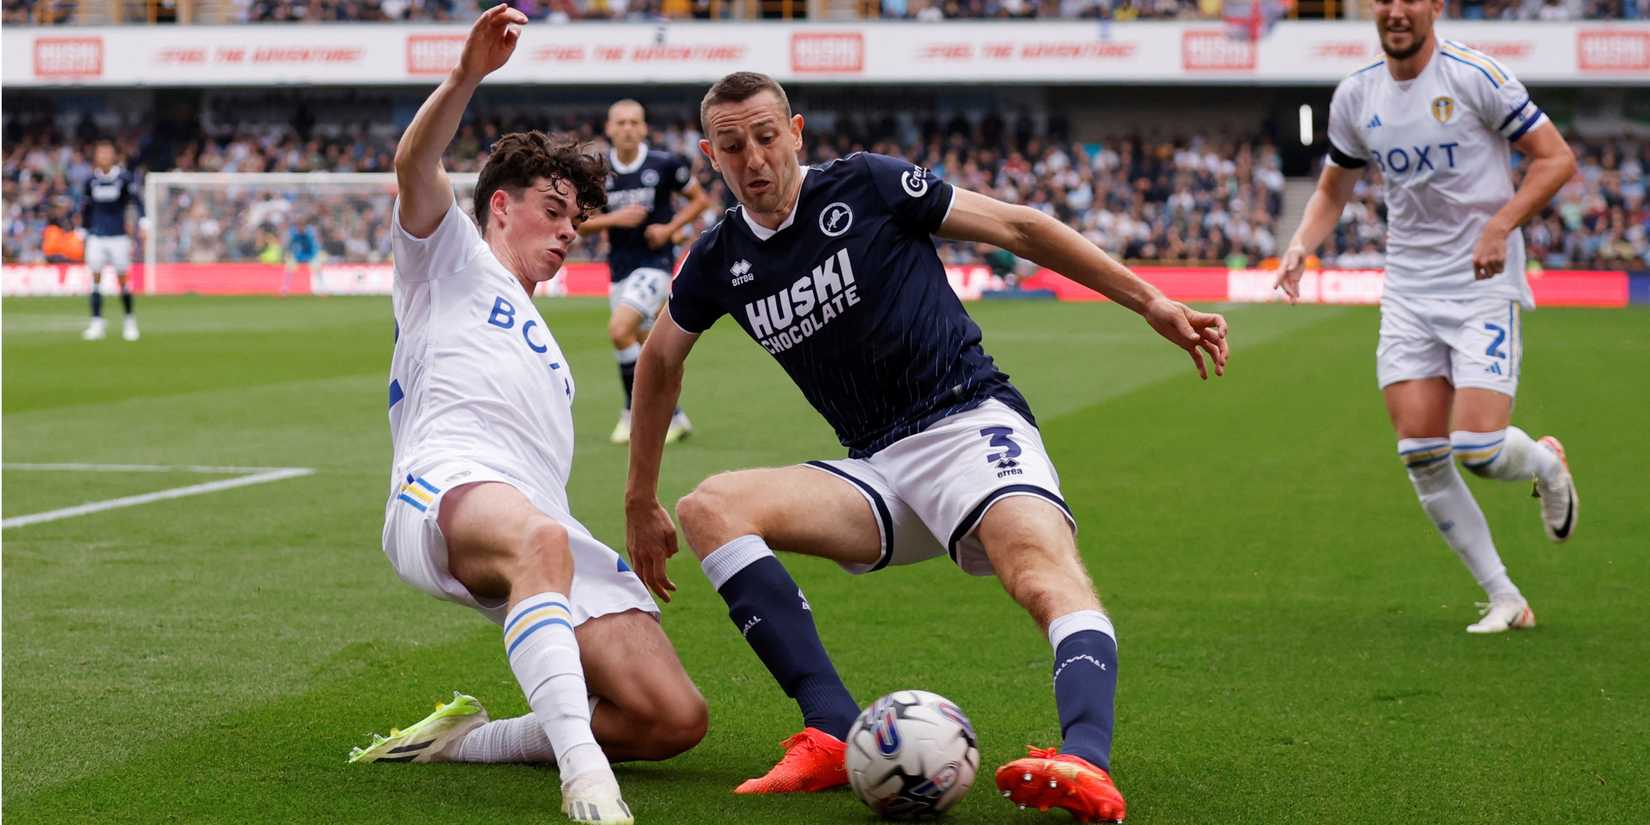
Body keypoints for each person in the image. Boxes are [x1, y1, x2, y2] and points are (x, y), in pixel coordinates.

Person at [624, 71, 1229, 823]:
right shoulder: (720, 257)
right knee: (710, 507)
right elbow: (659, 360)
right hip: (877, 466)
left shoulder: (867, 184)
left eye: (766, 137)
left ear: (797, 133)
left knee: (1038, 570)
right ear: (710, 155)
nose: (754, 159)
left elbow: (1019, 228)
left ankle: (1084, 758)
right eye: (733, 146)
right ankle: (832, 729)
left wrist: (1151, 301)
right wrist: (639, 497)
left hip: (967, 421)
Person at [346, 9, 706, 824]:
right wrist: (467, 75)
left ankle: (465, 740)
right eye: (554, 209)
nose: (570, 229)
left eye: (577, 218)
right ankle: (588, 781)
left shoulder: (550, 351)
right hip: (446, 486)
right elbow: (414, 163)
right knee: (541, 537)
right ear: (501, 206)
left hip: (542, 524)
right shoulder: (450, 257)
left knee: (672, 716)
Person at [1275, 0, 1580, 633]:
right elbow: (1333, 186)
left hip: (1480, 284)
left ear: (1435, 6)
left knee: (1479, 448)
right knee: (1421, 452)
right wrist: (1302, 243)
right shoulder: (1356, 95)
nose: (1396, 11)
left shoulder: (1475, 76)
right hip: (1409, 291)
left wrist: (1500, 225)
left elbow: (1555, 159)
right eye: (1384, 0)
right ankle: (1505, 598)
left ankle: (1547, 466)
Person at [577, 99, 712, 445]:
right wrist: (614, 219)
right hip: (620, 270)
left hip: (655, 266)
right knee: (648, 350)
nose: (627, 128)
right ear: (609, 129)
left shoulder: (664, 164)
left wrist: (669, 229)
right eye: (621, 122)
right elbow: (579, 223)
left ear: (644, 128)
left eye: (634, 122)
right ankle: (675, 417)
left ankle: (631, 414)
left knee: (619, 330)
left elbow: (700, 200)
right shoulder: (598, 172)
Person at [81, 139, 144, 342]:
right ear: (96, 156)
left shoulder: (123, 178)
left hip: (118, 236)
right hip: (96, 237)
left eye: (108, 153)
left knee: (123, 279)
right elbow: (86, 208)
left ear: (114, 155)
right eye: (101, 153)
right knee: (95, 280)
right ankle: (97, 323)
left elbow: (136, 201)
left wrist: (143, 222)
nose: (104, 156)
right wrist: (83, 230)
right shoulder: (91, 180)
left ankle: (129, 321)